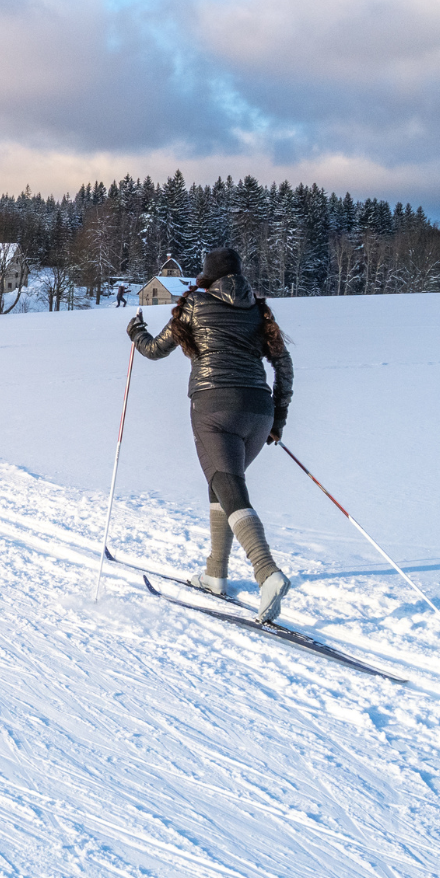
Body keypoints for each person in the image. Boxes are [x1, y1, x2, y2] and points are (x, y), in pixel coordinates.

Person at [127, 248, 297, 622]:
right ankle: (215, 573)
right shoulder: (257, 308)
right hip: (259, 411)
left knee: (230, 486)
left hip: (214, 408)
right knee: (221, 483)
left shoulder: (194, 305)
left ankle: (266, 572)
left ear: (207, 276)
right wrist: (278, 419)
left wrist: (136, 332)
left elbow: (155, 350)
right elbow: (284, 365)